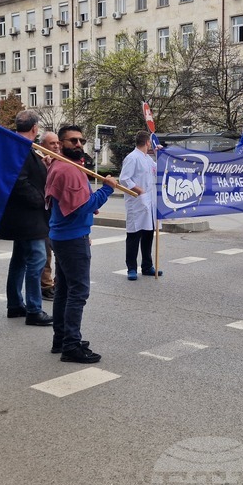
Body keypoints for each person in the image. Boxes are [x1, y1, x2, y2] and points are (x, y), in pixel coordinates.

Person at [45, 125, 117, 363]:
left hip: (65, 235)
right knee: (78, 292)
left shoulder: (67, 166)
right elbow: (80, 207)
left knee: (64, 291)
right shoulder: (68, 170)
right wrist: (107, 190)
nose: (78, 144)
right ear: (61, 144)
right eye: (72, 141)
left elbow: (77, 201)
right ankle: (71, 346)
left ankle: (62, 338)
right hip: (71, 238)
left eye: (81, 141)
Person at [0, 110, 53, 326]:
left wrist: (44, 167)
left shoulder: (20, 147)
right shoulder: (20, 147)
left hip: (22, 217)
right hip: (28, 217)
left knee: (19, 260)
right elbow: (19, 183)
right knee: (37, 259)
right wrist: (42, 200)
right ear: (35, 128)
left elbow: (28, 176)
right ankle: (34, 310)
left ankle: (15, 305)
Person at [119, 130, 161, 279]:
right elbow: (124, 179)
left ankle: (147, 265)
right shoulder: (132, 158)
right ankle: (131, 268)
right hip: (136, 202)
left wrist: (160, 155)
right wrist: (140, 191)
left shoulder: (148, 159)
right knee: (134, 236)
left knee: (148, 234)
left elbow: (159, 170)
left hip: (149, 203)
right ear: (147, 142)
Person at [38, 131, 60, 301]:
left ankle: (58, 282)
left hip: (58, 214)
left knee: (60, 251)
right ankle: (46, 286)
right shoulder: (38, 160)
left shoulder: (59, 161)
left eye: (57, 143)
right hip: (43, 215)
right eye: (52, 144)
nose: (56, 146)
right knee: (46, 253)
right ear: (43, 145)